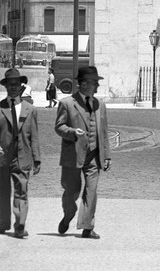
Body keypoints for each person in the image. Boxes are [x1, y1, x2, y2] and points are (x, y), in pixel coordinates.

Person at [55, 66, 111, 239]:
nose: (97, 87)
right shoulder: (67, 103)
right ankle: (68, 215)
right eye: (95, 83)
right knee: (71, 191)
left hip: (94, 156)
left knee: (91, 191)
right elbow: (59, 127)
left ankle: (87, 227)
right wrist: (72, 132)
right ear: (83, 84)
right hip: (73, 154)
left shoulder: (99, 104)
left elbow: (104, 131)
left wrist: (107, 155)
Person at [0, 68, 41, 238]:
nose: (13, 88)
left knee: (21, 190)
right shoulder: (0, 107)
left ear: (21, 86)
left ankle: (20, 225)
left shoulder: (30, 109)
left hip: (22, 156)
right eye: (10, 85)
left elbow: (34, 136)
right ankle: (2, 223)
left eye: (16, 84)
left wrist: (37, 159)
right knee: (2, 191)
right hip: (2, 158)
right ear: (6, 86)